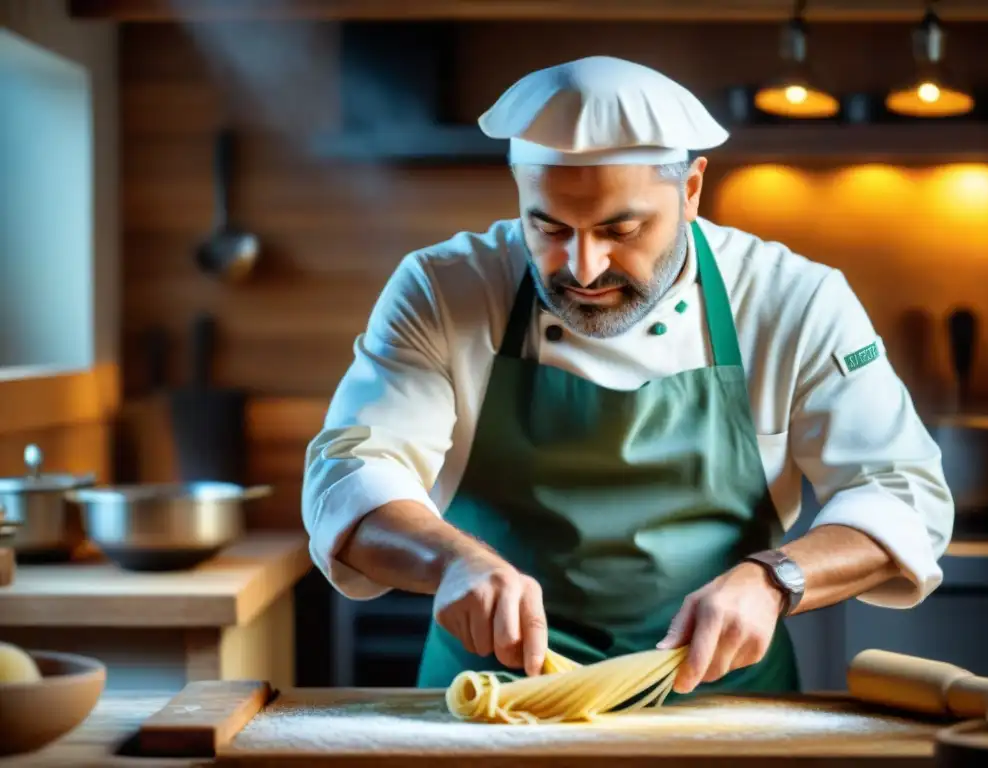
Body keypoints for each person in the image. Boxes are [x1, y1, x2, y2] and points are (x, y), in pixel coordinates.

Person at [302, 56, 954, 697]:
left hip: (722, 707)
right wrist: (452, 561)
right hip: (493, 703)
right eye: (549, 227)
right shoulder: (442, 290)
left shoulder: (794, 300)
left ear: (691, 190)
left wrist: (775, 578)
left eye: (622, 229)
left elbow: (900, 490)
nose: (583, 268)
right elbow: (354, 471)